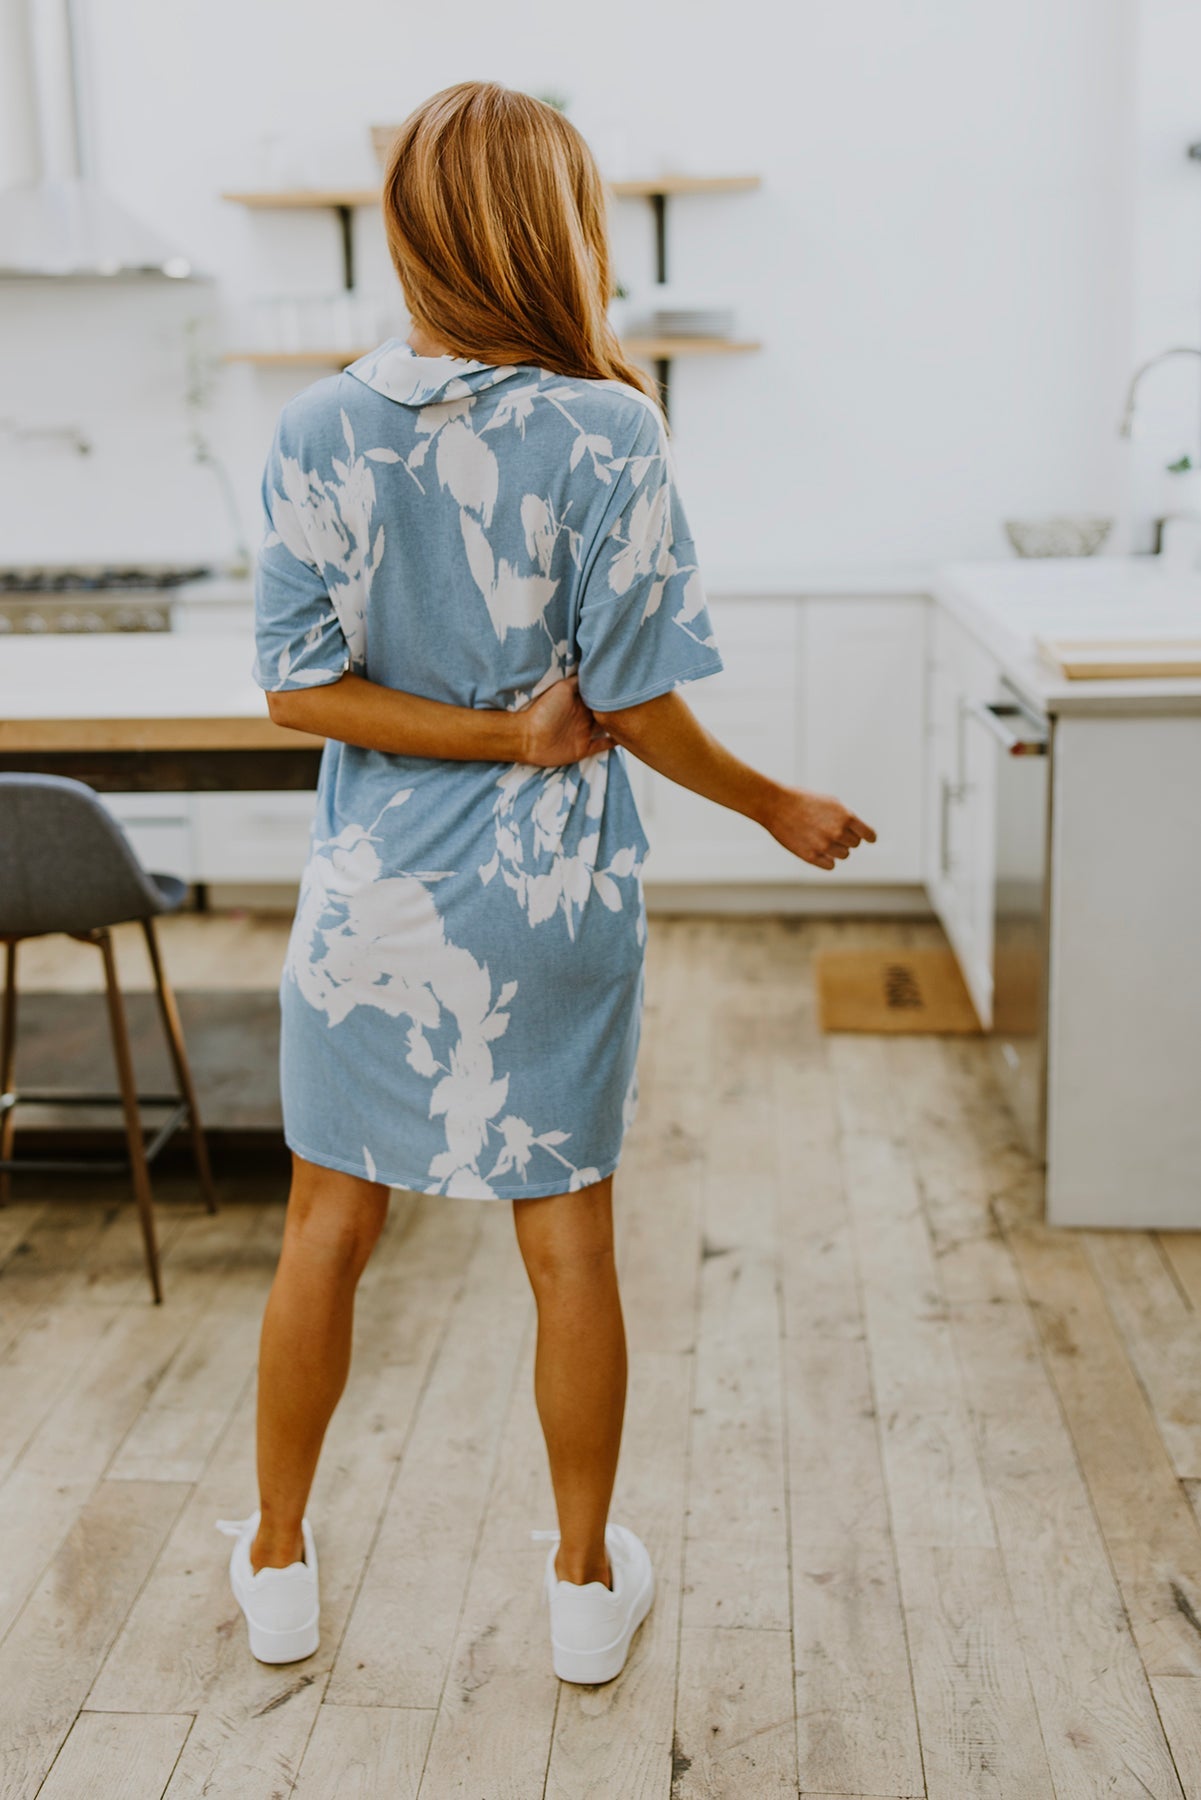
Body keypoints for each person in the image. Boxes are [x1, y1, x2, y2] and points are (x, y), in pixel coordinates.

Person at [215, 79, 874, 1687]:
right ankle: (585, 1592)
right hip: (546, 904)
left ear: (414, 229)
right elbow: (633, 703)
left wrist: (468, 736)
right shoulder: (609, 428)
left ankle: (279, 1564)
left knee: (324, 1229)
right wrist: (770, 800)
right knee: (565, 1245)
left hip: (371, 902)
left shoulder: (313, 425)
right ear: (558, 232)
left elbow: (296, 689)